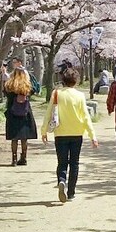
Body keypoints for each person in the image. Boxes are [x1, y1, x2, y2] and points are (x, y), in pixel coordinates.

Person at [42, 67, 98, 202]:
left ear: (63, 80)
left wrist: (44, 131)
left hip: (60, 133)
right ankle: (71, 191)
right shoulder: (79, 96)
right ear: (76, 81)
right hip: (76, 132)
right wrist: (92, 136)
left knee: (62, 162)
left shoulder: (56, 93)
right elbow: (85, 116)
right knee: (74, 162)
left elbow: (49, 112)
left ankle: (62, 180)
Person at [4, 68, 38, 166]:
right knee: (24, 138)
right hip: (25, 114)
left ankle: (14, 159)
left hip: (12, 113)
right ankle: (24, 158)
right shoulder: (27, 87)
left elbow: (5, 93)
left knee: (14, 138)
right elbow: (34, 90)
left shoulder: (9, 86)